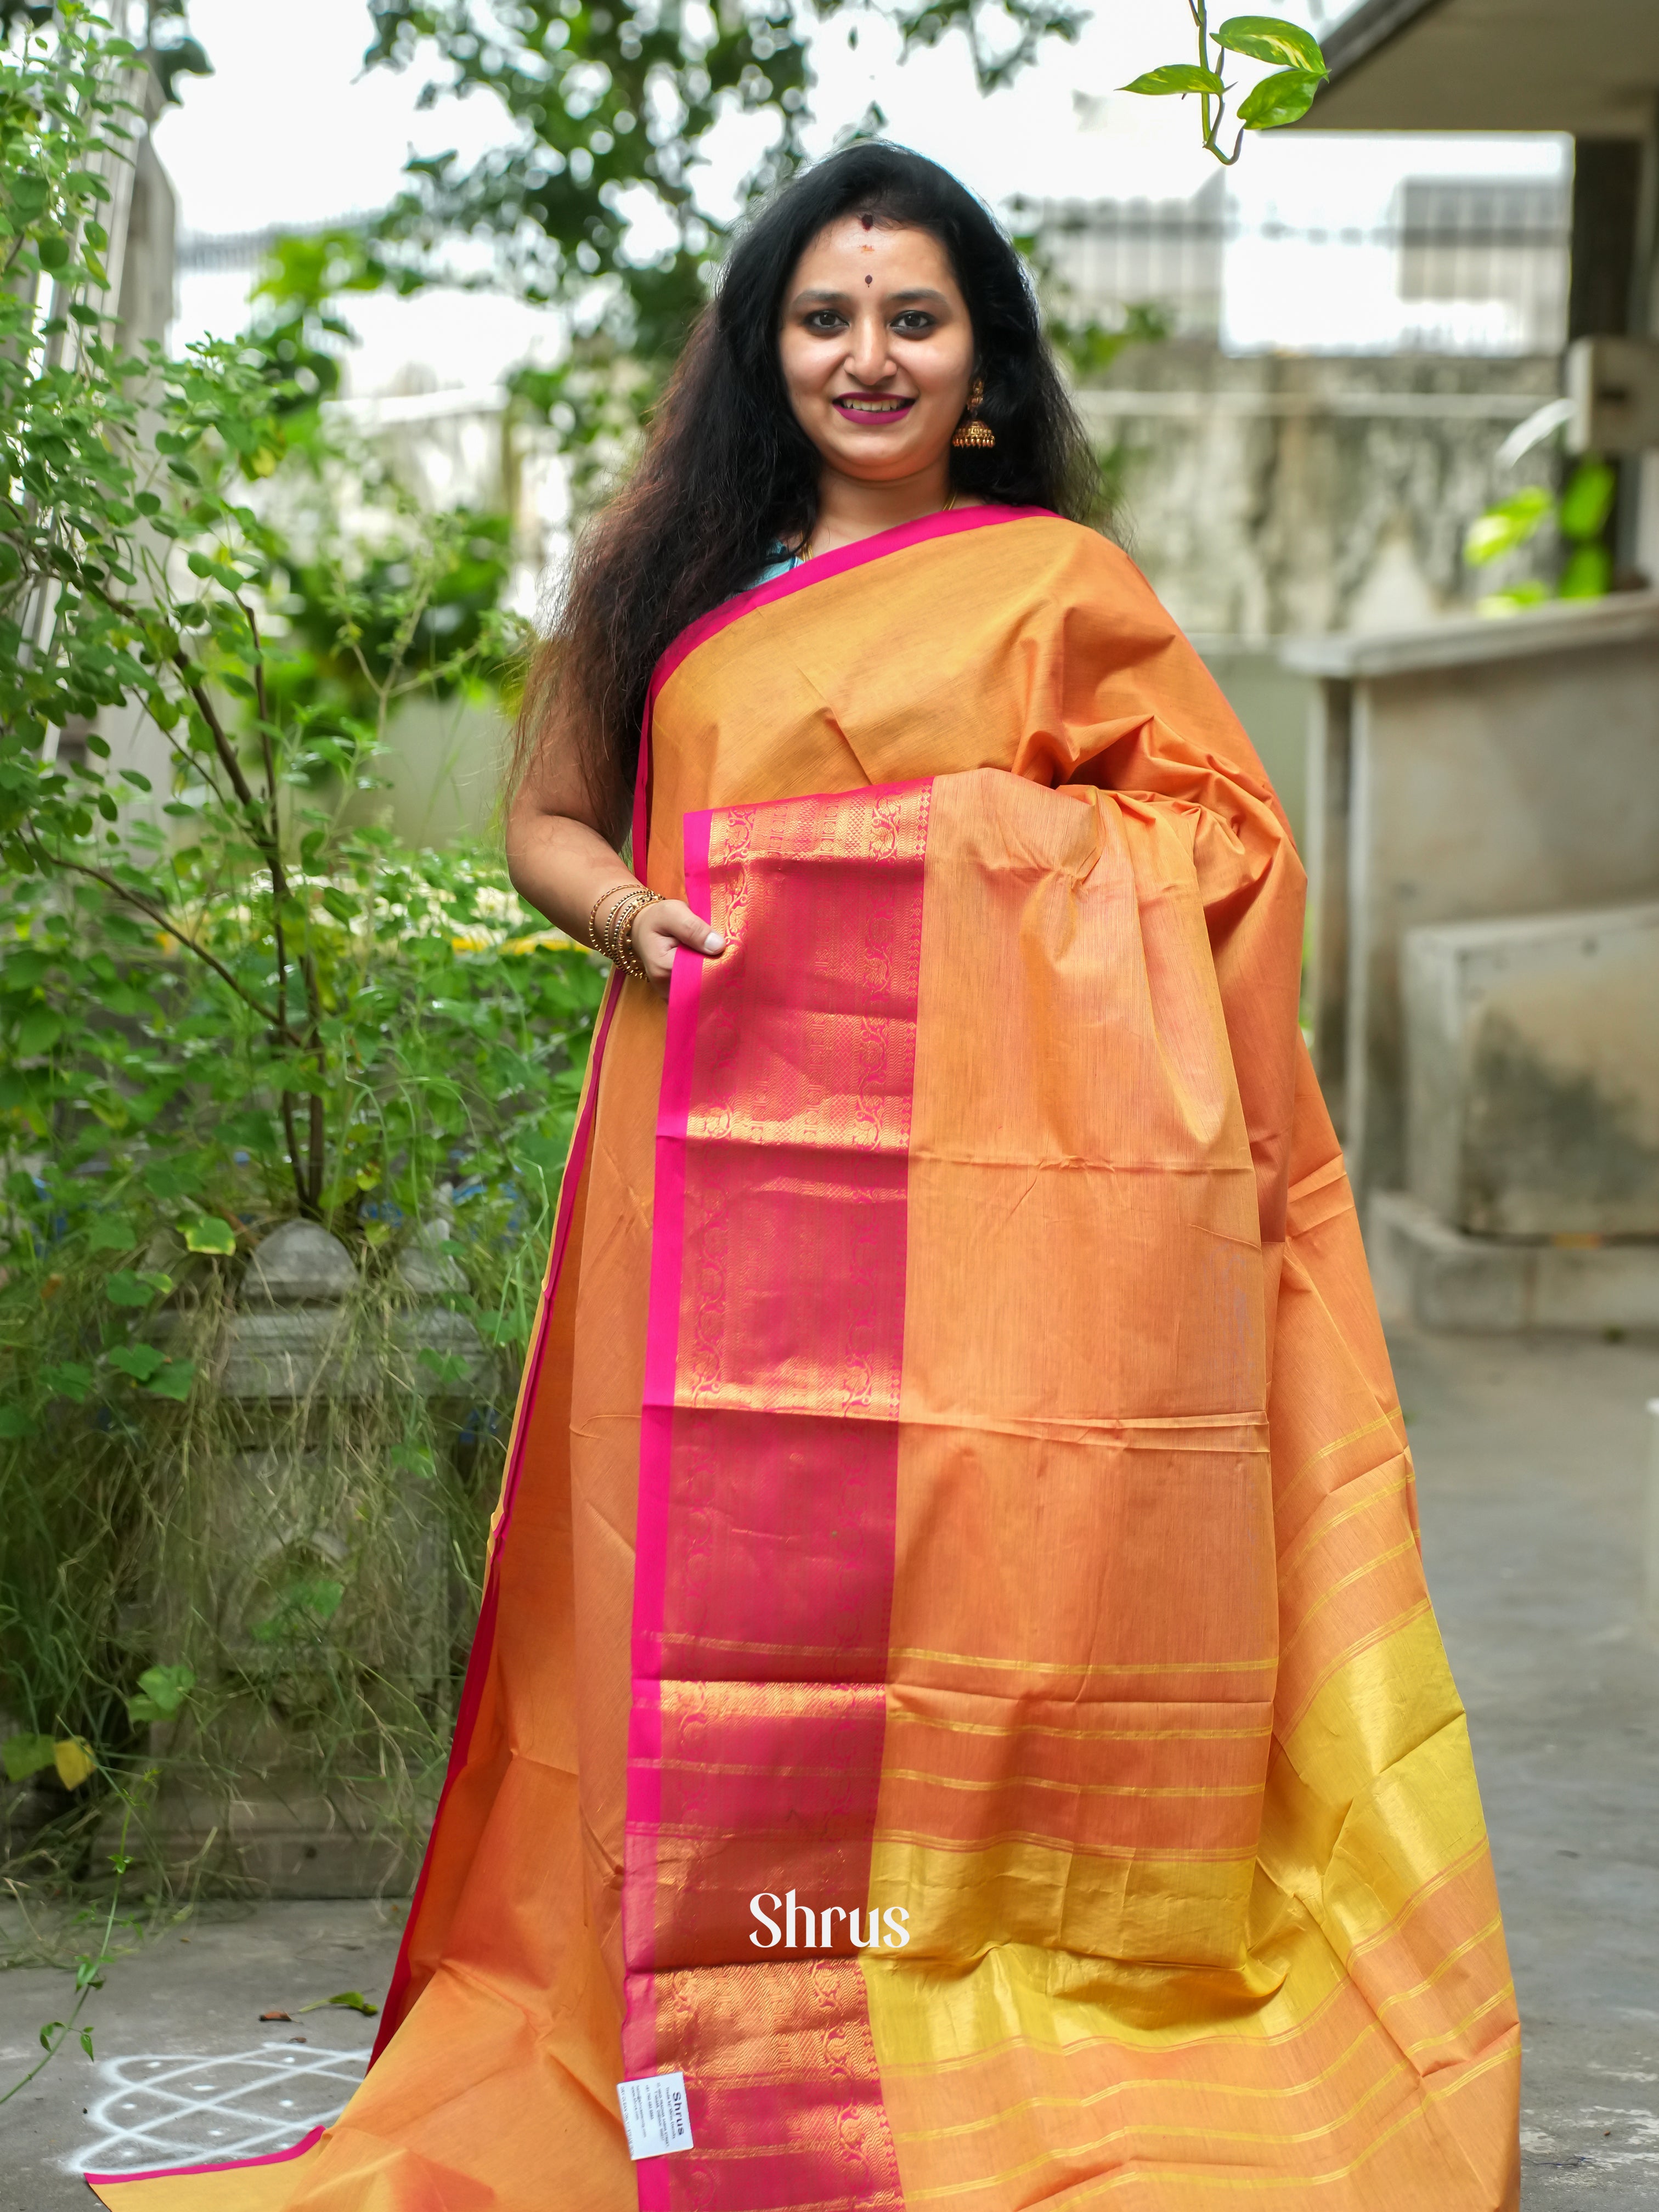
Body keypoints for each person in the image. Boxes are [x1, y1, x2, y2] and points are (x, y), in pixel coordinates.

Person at [89, 143, 1520, 2212]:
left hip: (996, 1211)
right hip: (707, 1185)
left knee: (968, 1588)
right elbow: (552, 821)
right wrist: (624, 918)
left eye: (913, 318)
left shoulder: (1058, 592)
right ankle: (714, 2000)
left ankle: (949, 1978)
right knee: (699, 1597)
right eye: (826, 316)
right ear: (767, 350)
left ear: (982, 366)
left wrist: (967, 862)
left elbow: (1221, 851)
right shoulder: (674, 584)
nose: (870, 354)